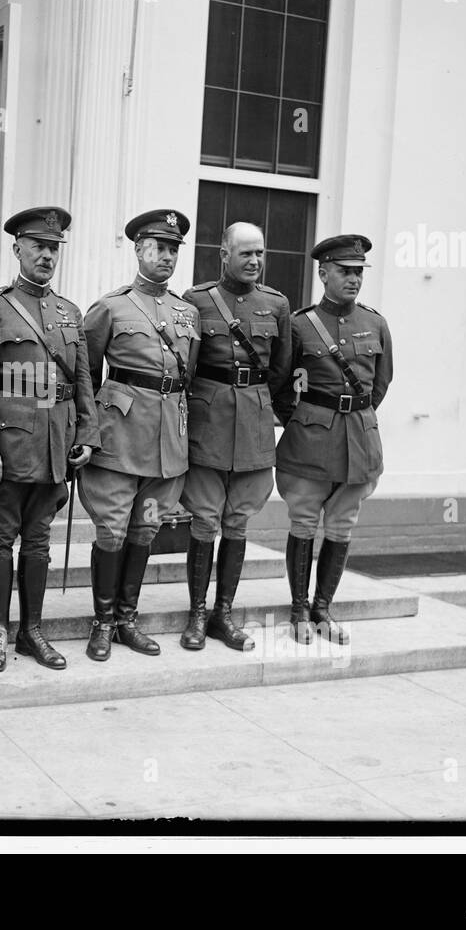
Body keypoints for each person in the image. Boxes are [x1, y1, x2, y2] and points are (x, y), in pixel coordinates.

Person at [0, 207, 99, 672]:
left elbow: (83, 383)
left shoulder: (69, 312)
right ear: (16, 248)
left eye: (53, 248)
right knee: (2, 539)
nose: (46, 255)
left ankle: (31, 632)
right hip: (9, 442)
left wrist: (88, 436)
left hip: (58, 443)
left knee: (38, 541)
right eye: (38, 246)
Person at [79, 209, 199, 661]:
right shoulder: (111, 307)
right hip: (119, 436)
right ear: (138, 250)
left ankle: (128, 619)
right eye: (159, 248)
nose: (166, 256)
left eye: (173, 249)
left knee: (145, 528)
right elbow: (84, 377)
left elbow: (191, 374)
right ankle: (103, 622)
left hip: (169, 439)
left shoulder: (186, 312)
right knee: (111, 530)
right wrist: (85, 432)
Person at [272, 233, 393, 645]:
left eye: (359, 272)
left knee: (342, 525)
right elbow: (281, 384)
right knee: (304, 521)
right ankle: (298, 609)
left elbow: (379, 385)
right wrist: (306, 418)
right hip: (310, 441)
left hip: (359, 443)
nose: (354, 279)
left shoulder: (375, 323)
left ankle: (323, 608)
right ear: (323, 273)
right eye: (345, 271)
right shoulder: (300, 325)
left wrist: (352, 417)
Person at [178, 222, 291, 652]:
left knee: (237, 521)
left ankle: (223, 614)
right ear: (223, 253)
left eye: (260, 253)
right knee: (205, 519)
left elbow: (280, 370)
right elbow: (186, 364)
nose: (254, 261)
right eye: (245, 253)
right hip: (209, 421)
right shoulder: (196, 300)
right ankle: (197, 614)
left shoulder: (275, 304)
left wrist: (261, 402)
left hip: (254, 425)